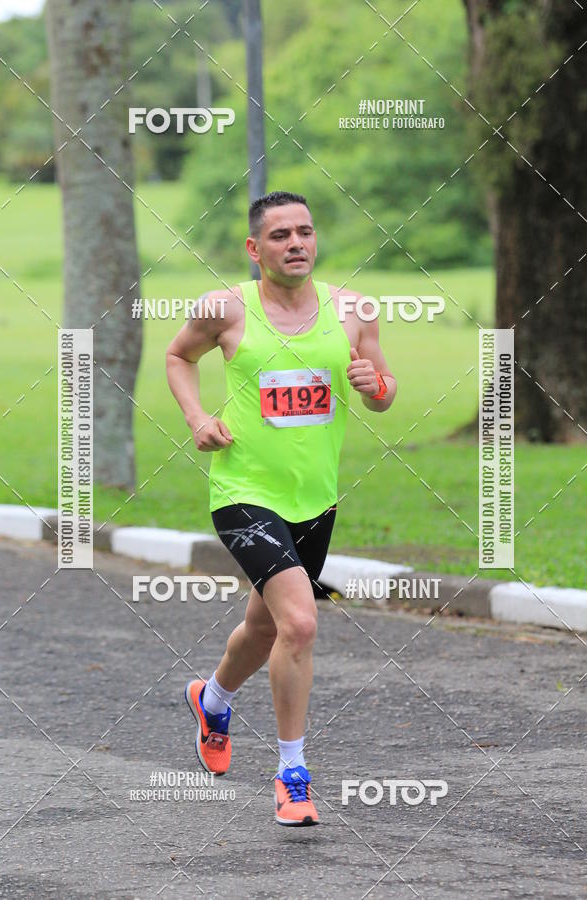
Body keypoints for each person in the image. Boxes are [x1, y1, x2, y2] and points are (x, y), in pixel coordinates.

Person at [166, 190, 396, 826]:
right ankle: (292, 774)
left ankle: (212, 700)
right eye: (280, 235)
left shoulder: (353, 310)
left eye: (305, 232)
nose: (296, 243)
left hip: (315, 499)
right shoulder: (225, 310)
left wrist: (376, 387)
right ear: (254, 248)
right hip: (243, 492)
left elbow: (383, 392)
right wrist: (196, 416)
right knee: (299, 624)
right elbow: (178, 356)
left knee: (266, 628)